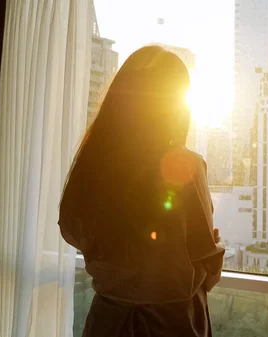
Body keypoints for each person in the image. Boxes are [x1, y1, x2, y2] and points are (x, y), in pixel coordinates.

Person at [58, 45, 225, 337]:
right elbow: (208, 275)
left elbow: (75, 231)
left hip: (107, 322)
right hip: (172, 324)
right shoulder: (185, 166)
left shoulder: (94, 166)